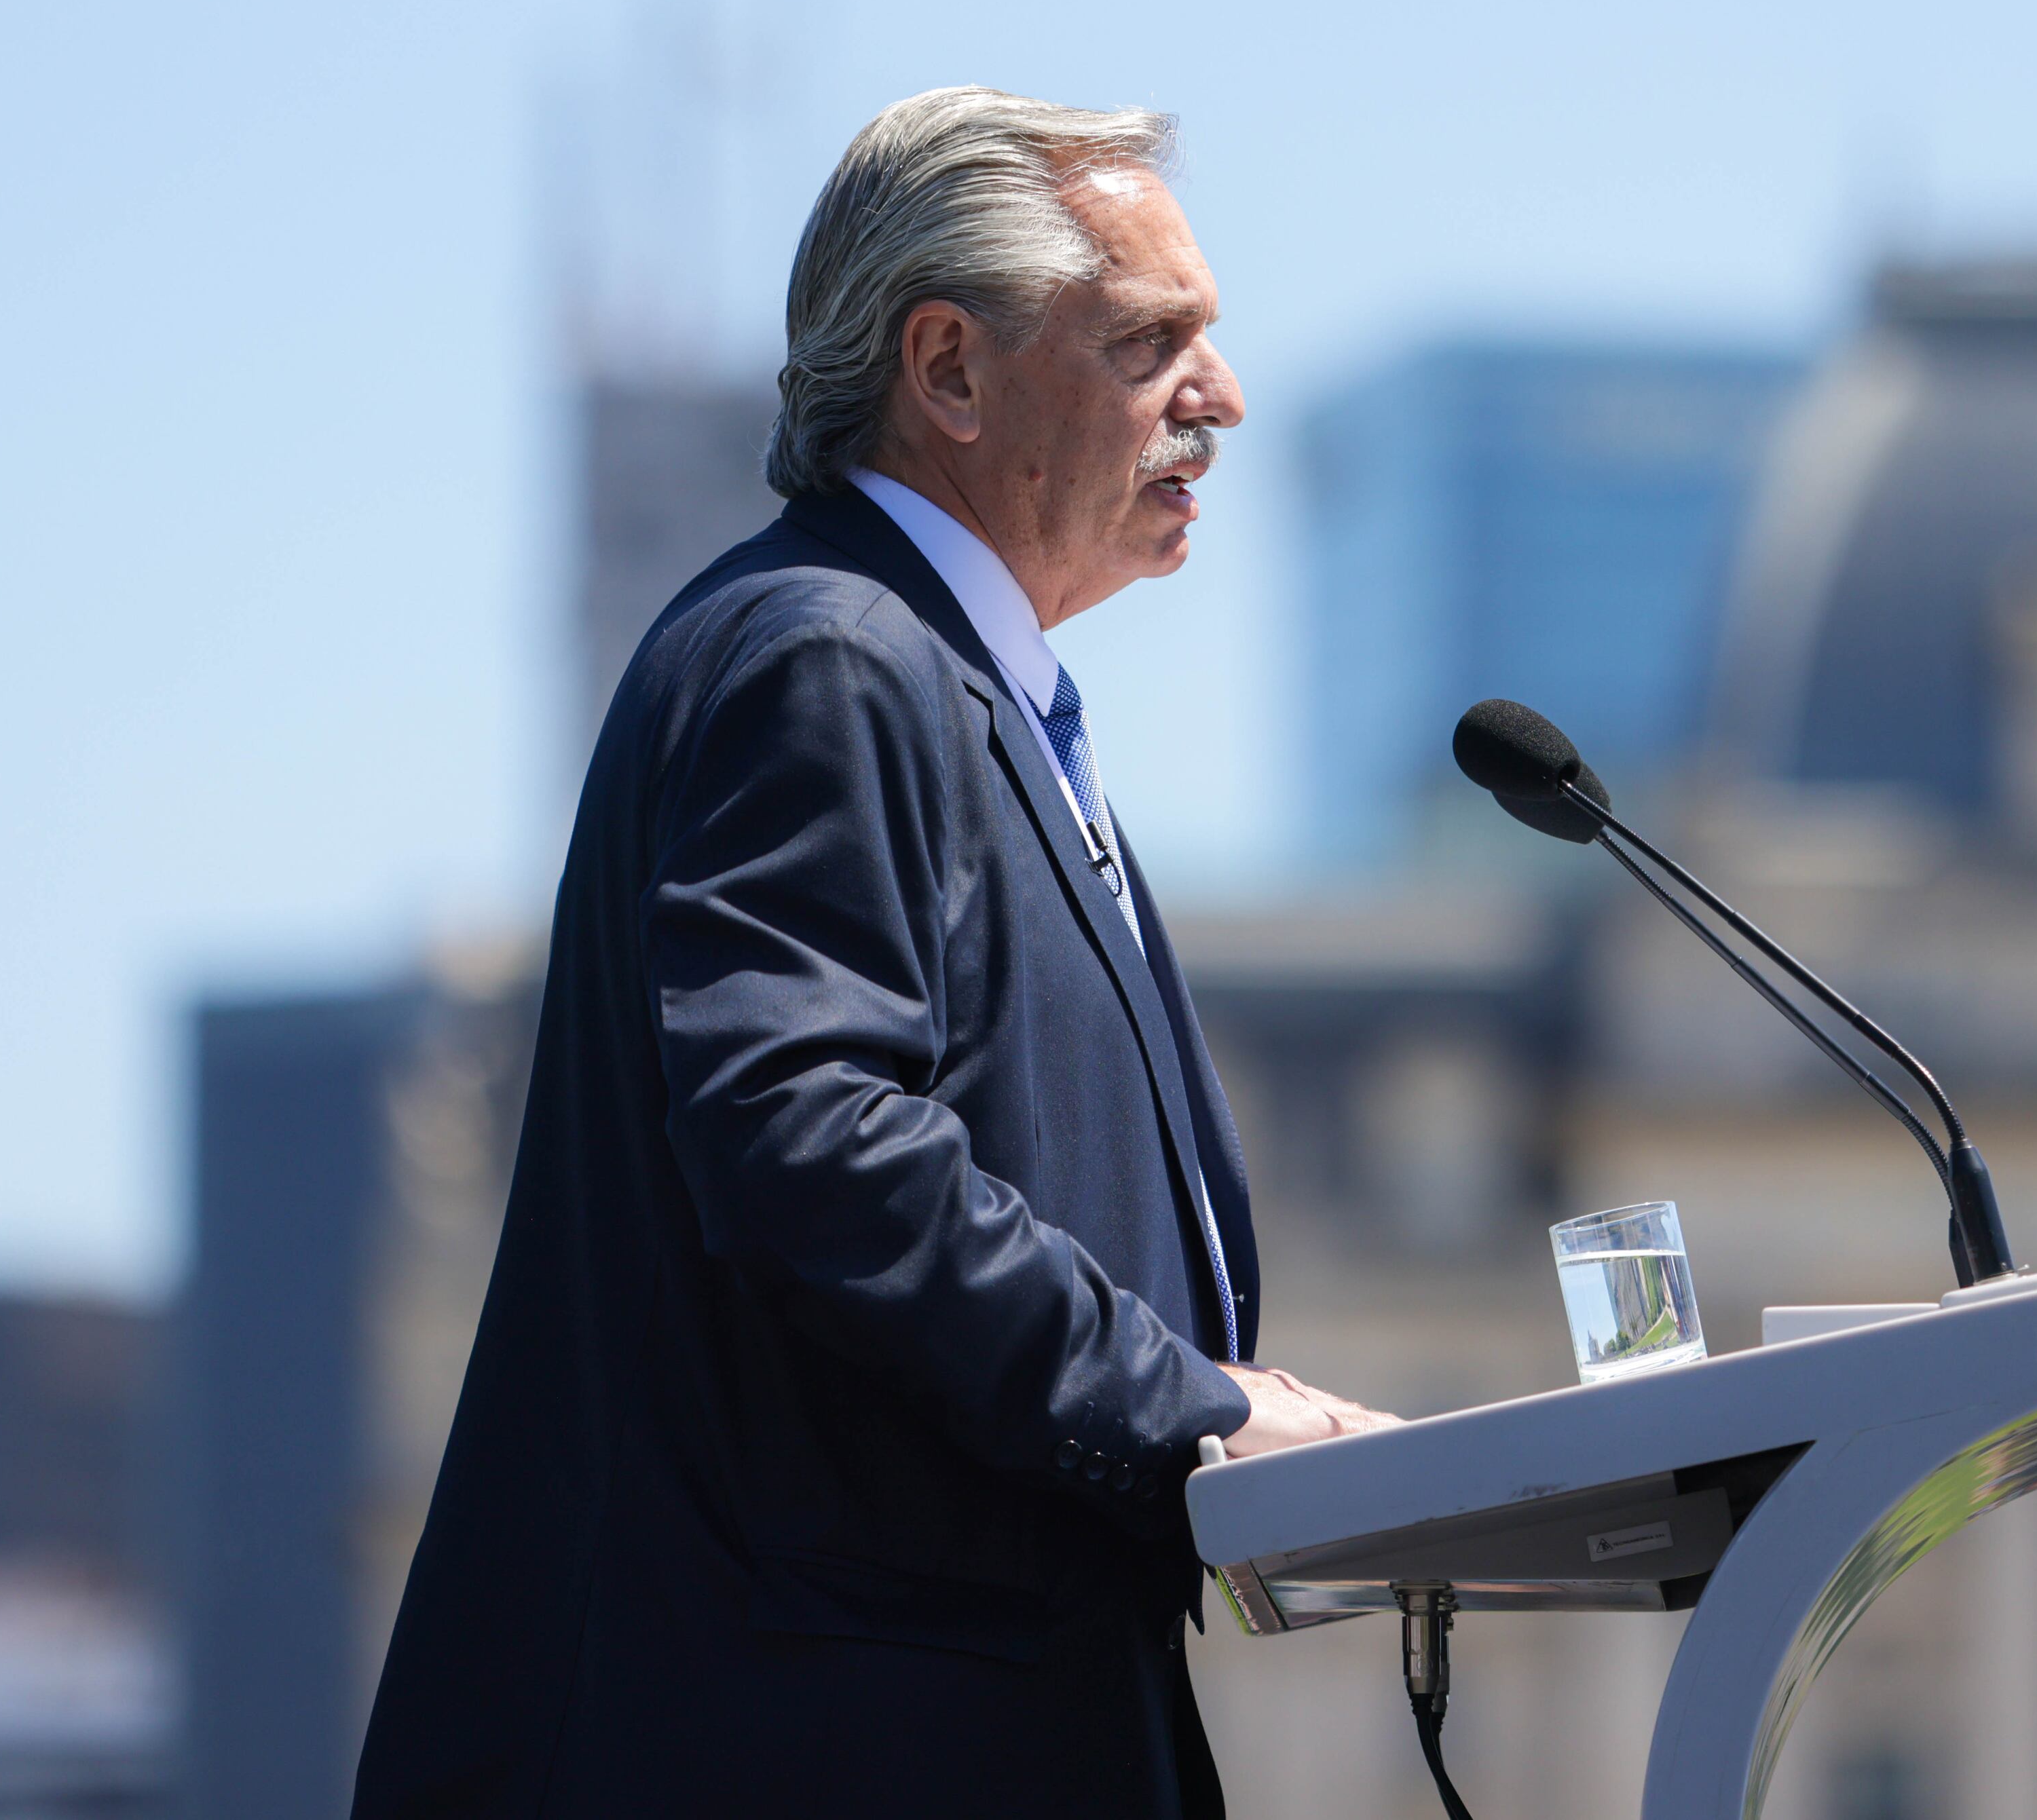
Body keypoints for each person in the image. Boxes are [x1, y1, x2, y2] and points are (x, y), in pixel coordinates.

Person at [352, 89, 1391, 1819]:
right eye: (1148, 345)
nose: (1216, 399)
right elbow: (810, 1143)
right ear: (950, 371)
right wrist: (1189, 1410)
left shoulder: (965, 693)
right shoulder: (826, 657)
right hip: (814, 1738)